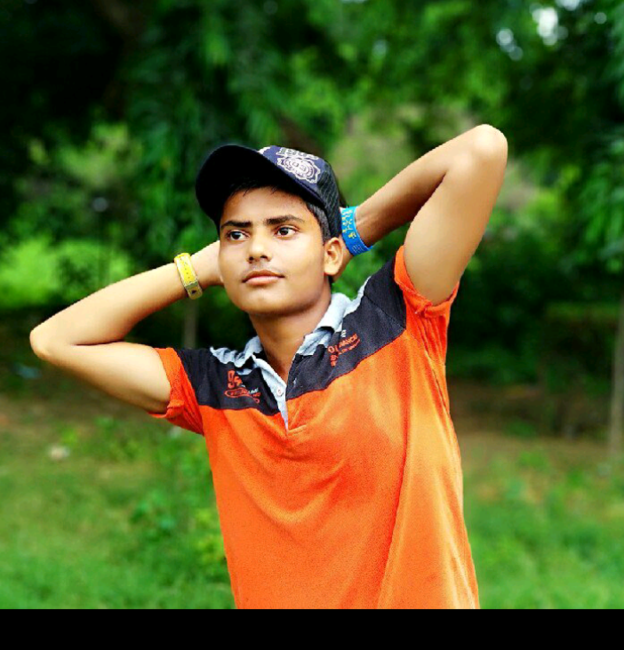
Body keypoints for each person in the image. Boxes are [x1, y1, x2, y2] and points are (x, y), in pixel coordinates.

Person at [30, 128, 509, 609]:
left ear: (330, 254)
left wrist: (353, 230)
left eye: (283, 230)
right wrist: (192, 271)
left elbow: (481, 150)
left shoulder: (396, 320)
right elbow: (55, 341)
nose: (256, 249)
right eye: (236, 234)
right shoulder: (214, 386)